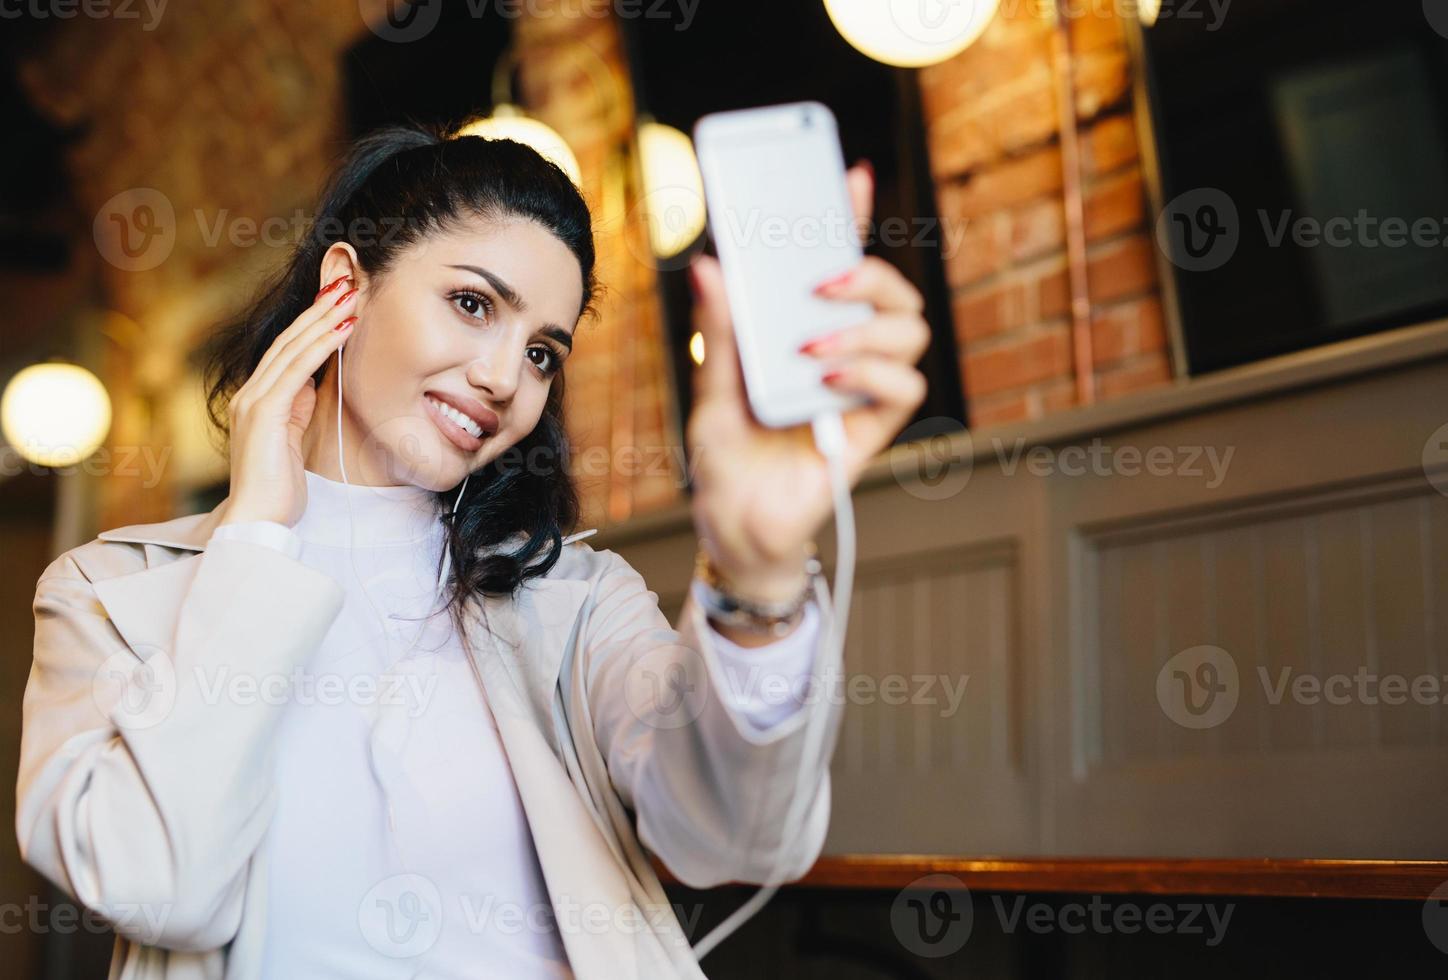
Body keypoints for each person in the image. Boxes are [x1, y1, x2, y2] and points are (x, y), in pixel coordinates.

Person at [17, 123, 932, 978]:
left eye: (542, 353)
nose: (503, 378)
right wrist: (256, 535)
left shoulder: (575, 598)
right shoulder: (105, 594)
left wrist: (759, 572)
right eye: (469, 303)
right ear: (345, 289)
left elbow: (729, 835)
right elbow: (159, 888)